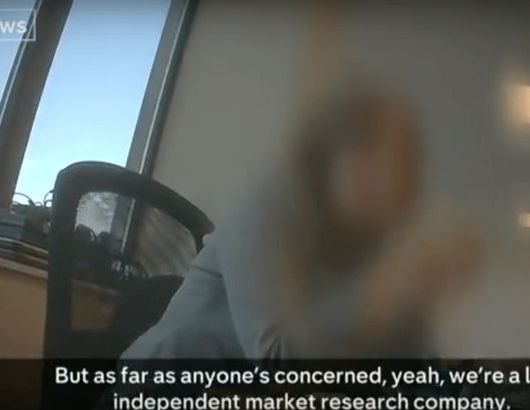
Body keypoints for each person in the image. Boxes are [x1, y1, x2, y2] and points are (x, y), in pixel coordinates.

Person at [122, 88, 482, 361]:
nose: (388, 183)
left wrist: (421, 303)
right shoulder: (265, 211)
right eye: (372, 159)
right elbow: (274, 357)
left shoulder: (364, 242)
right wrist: (382, 293)